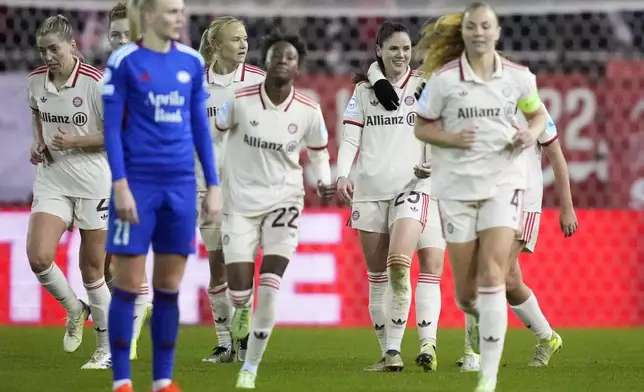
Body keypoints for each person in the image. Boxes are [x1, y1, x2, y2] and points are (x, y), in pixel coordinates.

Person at [413, 3, 548, 392]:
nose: (478, 32)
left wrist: (530, 132)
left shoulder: (519, 79)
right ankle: (485, 318)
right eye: (472, 26)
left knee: (494, 272)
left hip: (503, 185)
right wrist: (451, 138)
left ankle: (487, 378)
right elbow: (422, 128)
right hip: (456, 190)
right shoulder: (443, 82)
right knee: (467, 295)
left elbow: (536, 115)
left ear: (497, 31)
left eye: (485, 25)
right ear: (465, 33)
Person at [102, 0, 221, 391]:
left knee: (169, 288)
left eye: (181, 10)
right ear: (150, 16)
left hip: (181, 188)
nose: (179, 17)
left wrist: (214, 186)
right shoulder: (124, 63)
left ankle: (162, 381)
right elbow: (113, 131)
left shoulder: (190, 63)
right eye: (171, 11)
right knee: (128, 285)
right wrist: (120, 184)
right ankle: (122, 381)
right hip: (137, 185)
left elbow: (200, 129)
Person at [214, 30, 334, 389]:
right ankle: (241, 309)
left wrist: (323, 179)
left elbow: (318, 152)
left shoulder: (309, 110)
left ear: (298, 67)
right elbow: (216, 135)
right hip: (239, 203)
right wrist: (214, 182)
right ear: (264, 61)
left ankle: (249, 367)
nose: (282, 60)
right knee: (239, 288)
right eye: (276, 55)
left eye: (290, 57)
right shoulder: (237, 99)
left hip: (284, 201)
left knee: (270, 282)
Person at [337, 21, 445, 373]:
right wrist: (342, 174)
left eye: (406, 48)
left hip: (412, 188)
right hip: (369, 191)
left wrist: (431, 163)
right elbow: (350, 138)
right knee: (377, 277)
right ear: (379, 51)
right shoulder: (364, 93)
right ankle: (389, 354)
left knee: (399, 264)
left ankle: (400, 347)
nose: (401, 54)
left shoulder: (423, 85)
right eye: (394, 48)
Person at [27, 14, 112, 370]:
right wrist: (39, 142)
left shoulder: (96, 83)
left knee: (92, 269)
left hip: (94, 181)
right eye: (43, 50)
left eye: (54, 49)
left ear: (73, 47)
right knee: (39, 256)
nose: (48, 56)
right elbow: (38, 113)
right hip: (54, 177)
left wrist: (76, 140)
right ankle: (75, 310)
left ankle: (106, 350)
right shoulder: (35, 82)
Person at [197, 16, 266, 364]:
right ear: (215, 45)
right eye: (235, 39)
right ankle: (226, 342)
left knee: (240, 264)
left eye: (245, 38)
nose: (243, 44)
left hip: (245, 187)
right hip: (204, 186)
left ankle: (244, 340)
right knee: (217, 266)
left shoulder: (257, 80)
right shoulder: (195, 82)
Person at [104, 0, 153, 361]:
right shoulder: (111, 76)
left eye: (127, 33)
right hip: (115, 176)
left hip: (148, 174)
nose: (120, 40)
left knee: (125, 262)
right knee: (113, 267)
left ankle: (127, 340)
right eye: (114, 35)